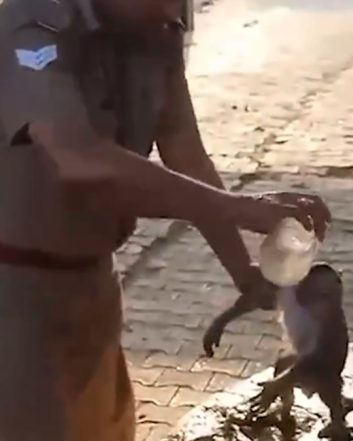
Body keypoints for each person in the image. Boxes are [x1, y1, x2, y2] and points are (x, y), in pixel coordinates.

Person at [0, 0, 331, 440]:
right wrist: (241, 207)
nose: (177, 9)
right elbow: (80, 159)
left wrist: (245, 270)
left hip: (93, 281)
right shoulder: (32, 27)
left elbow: (185, 151)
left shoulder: (158, 29)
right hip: (15, 290)